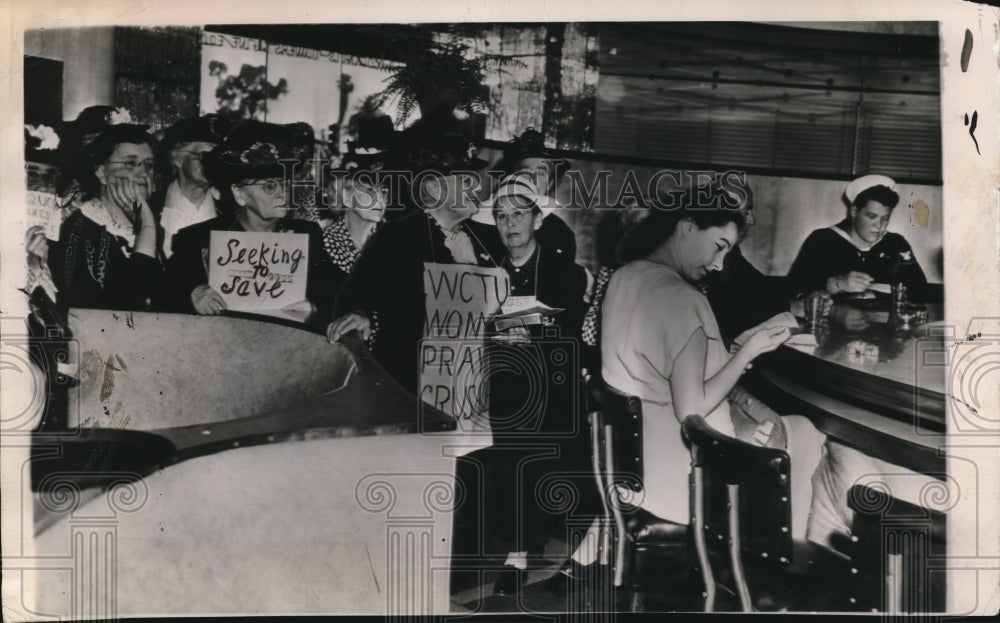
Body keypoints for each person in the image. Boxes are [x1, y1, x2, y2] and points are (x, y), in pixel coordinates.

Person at [558, 185, 827, 579]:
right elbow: (693, 411)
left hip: (635, 464)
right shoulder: (682, 297)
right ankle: (781, 573)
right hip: (684, 476)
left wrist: (729, 354)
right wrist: (748, 351)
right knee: (807, 433)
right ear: (687, 227)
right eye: (718, 246)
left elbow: (656, 371)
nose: (720, 264)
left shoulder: (625, 276)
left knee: (780, 423)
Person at [326, 116, 507, 394]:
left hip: (473, 387)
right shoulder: (400, 237)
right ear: (434, 188)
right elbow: (353, 299)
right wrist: (362, 315)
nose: (477, 187)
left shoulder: (485, 240)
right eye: (466, 180)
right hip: (415, 388)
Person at [483, 175, 591, 595]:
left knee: (532, 459)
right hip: (499, 382)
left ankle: (530, 552)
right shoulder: (486, 269)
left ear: (538, 219)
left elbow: (569, 331)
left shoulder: (564, 272)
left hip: (550, 385)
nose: (510, 225)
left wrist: (508, 325)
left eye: (519, 215)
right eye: (501, 216)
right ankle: (515, 549)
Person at [165, 126, 339, 321]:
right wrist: (193, 292)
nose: (283, 192)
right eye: (270, 186)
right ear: (240, 194)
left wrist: (315, 304)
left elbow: (338, 287)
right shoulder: (198, 238)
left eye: (286, 182)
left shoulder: (306, 234)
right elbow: (166, 285)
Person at [47, 123, 165, 313]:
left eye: (149, 166)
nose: (144, 174)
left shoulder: (150, 228)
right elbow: (125, 308)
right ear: (102, 173)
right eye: (130, 164)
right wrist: (148, 228)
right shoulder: (79, 233)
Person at [786, 175, 928, 300]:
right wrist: (836, 284)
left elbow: (922, 291)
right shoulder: (822, 241)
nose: (879, 226)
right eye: (871, 216)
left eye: (885, 218)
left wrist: (872, 294)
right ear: (854, 211)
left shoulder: (896, 244)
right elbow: (793, 292)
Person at [493, 127, 577, 260]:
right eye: (524, 172)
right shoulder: (494, 225)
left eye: (540, 173)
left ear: (550, 183)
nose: (531, 179)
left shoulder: (561, 233)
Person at [150, 115, 223, 257]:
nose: (211, 164)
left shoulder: (229, 210)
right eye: (202, 156)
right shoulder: (152, 207)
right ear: (178, 159)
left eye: (215, 157)